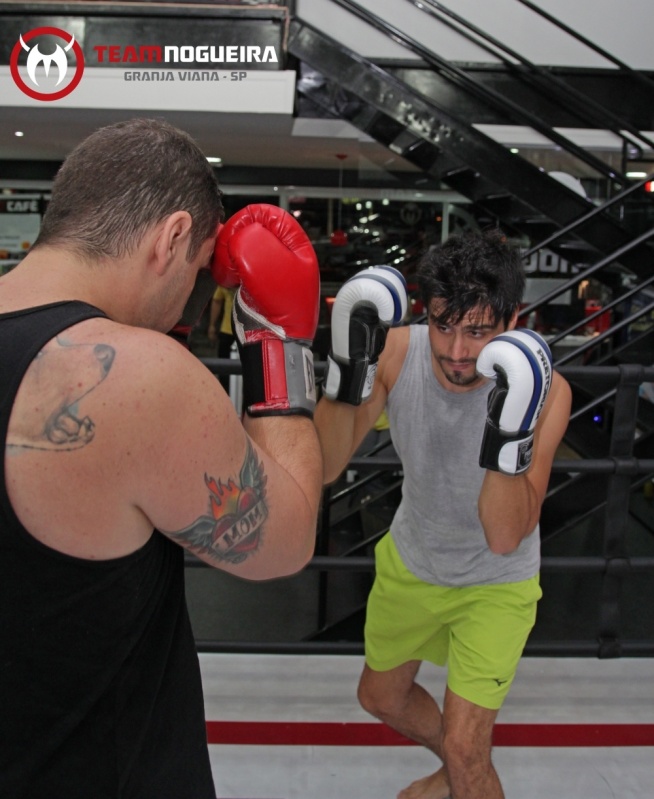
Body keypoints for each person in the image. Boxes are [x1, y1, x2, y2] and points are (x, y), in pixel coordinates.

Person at [0, 118, 323, 799]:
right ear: (173, 237)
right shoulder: (135, 374)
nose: (191, 299)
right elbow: (283, 540)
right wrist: (279, 343)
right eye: (202, 269)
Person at [314, 231, 572, 799]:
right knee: (380, 697)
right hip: (413, 559)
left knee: (464, 747)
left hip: (494, 584)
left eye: (478, 331)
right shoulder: (398, 353)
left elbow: (504, 536)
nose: (456, 351)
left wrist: (510, 428)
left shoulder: (549, 393)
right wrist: (345, 373)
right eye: (443, 325)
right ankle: (460, 765)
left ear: (513, 320)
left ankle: (463, 762)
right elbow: (327, 466)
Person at [207, 283, 236, 390]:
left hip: (248, 333)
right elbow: (217, 300)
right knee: (224, 370)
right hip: (227, 331)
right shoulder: (225, 280)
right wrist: (212, 325)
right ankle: (226, 396)